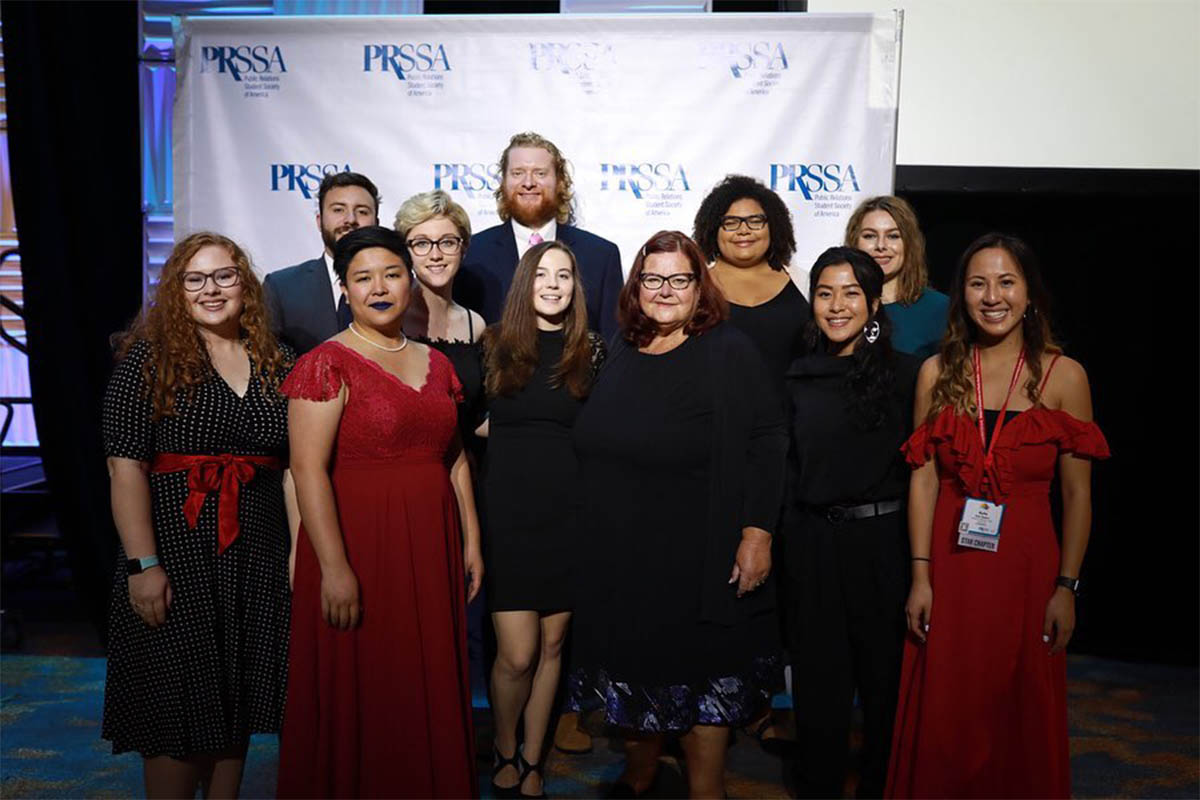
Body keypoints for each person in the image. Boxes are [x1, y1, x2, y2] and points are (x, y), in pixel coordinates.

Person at [886, 233, 1109, 798]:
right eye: (978, 283)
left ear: (1029, 293)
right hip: (951, 568)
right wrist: (920, 576)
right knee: (948, 703)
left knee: (1017, 705)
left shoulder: (1065, 376)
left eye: (1006, 282)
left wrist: (1067, 587)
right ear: (961, 295)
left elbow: (1078, 495)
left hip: (1029, 572)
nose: (993, 296)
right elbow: (925, 477)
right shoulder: (938, 372)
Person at [569, 230, 787, 799]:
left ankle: (705, 791)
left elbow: (768, 439)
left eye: (679, 279)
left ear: (699, 287)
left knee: (701, 682)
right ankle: (640, 777)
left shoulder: (727, 350)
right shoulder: (619, 346)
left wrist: (757, 532)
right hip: (622, 558)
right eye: (653, 278)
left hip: (698, 553)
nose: (664, 290)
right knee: (636, 676)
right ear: (636, 285)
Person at [276, 226, 483, 798]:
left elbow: (456, 458)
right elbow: (307, 471)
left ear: (411, 282)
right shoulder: (326, 364)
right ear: (344, 288)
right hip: (359, 545)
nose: (380, 287)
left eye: (392, 274)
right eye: (363, 278)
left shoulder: (436, 364)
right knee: (366, 681)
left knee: (426, 677)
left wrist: (471, 541)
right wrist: (335, 567)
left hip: (430, 543)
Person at [101, 232, 294, 798]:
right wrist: (143, 564)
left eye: (225, 276)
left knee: (237, 700)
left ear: (246, 285)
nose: (212, 289)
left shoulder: (276, 360)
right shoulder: (149, 359)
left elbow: (292, 468)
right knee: (176, 709)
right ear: (177, 290)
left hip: (257, 553)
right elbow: (125, 468)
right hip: (177, 558)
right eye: (196, 279)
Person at [781, 247, 920, 798]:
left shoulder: (909, 375)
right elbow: (787, 469)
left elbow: (923, 475)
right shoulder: (794, 376)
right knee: (818, 687)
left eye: (851, 293)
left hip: (882, 545)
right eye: (824, 293)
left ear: (875, 302)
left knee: (885, 685)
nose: (836, 306)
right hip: (813, 545)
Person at [482, 240, 606, 799]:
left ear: (576, 287)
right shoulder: (494, 346)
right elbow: (466, 424)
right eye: (542, 275)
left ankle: (533, 757)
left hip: (572, 515)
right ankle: (503, 745)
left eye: (565, 275)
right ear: (524, 284)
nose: (554, 284)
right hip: (508, 516)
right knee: (517, 653)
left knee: (553, 650)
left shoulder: (593, 352)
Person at [458, 131, 623, 344]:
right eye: (517, 173)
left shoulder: (601, 256)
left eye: (540, 173)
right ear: (503, 182)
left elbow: (611, 343)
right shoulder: (472, 253)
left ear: (560, 181)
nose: (528, 182)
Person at [693, 174, 809, 383]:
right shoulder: (695, 288)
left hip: (793, 413)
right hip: (716, 414)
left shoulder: (805, 283)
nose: (744, 230)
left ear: (773, 226)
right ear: (713, 230)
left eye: (755, 221)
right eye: (731, 222)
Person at [394, 189, 487, 445]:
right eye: (422, 243)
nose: (436, 255)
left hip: (464, 465)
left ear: (463, 248)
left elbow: (476, 418)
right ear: (406, 251)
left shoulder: (474, 325)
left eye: (447, 242)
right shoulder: (391, 319)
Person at [264, 171, 381, 354]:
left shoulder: (399, 288)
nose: (350, 220)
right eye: (338, 210)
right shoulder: (282, 287)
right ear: (319, 221)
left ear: (377, 223)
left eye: (362, 211)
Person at [845, 196, 948, 359]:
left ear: (909, 244)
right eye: (869, 236)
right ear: (854, 242)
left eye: (893, 236)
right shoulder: (839, 308)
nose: (880, 246)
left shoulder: (939, 308)